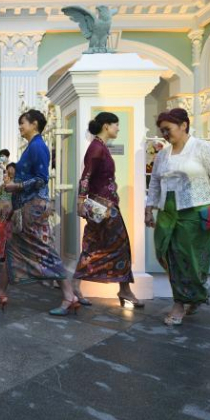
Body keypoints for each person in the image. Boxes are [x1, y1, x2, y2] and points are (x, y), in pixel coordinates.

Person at [0, 110, 79, 316]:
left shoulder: (38, 146)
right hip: (25, 207)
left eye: (22, 123)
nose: (20, 127)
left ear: (34, 124)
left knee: (44, 250)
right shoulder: (33, 146)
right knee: (12, 250)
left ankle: (69, 296)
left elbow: (42, 178)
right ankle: (0, 293)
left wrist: (17, 186)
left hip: (32, 207)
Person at [145, 108, 210, 326]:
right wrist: (149, 207)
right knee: (166, 252)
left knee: (189, 258)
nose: (164, 134)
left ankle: (181, 303)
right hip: (168, 211)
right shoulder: (163, 154)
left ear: (184, 125)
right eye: (162, 130)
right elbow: (155, 182)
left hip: (196, 210)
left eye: (168, 129)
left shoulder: (204, 148)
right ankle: (191, 295)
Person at [73, 112, 143, 308]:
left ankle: (78, 286)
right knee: (114, 246)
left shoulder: (100, 147)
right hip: (103, 207)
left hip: (105, 205)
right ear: (106, 126)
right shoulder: (96, 148)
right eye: (115, 125)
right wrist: (80, 201)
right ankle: (123, 290)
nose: (118, 128)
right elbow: (86, 176)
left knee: (99, 245)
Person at [0, 163, 16, 261]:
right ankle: (1, 254)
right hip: (2, 212)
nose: (5, 175)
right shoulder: (4, 185)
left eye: (6, 173)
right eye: (5, 172)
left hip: (9, 213)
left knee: (8, 233)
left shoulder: (14, 184)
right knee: (0, 232)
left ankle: (7, 254)